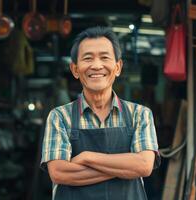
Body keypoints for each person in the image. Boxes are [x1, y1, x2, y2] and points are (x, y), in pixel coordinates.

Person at [40, 26, 160, 200]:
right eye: (88, 58)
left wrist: (87, 157)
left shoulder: (140, 115)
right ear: (75, 69)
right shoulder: (60, 117)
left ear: (118, 67)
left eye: (104, 57)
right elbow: (59, 173)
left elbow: (143, 166)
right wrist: (125, 168)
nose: (96, 66)